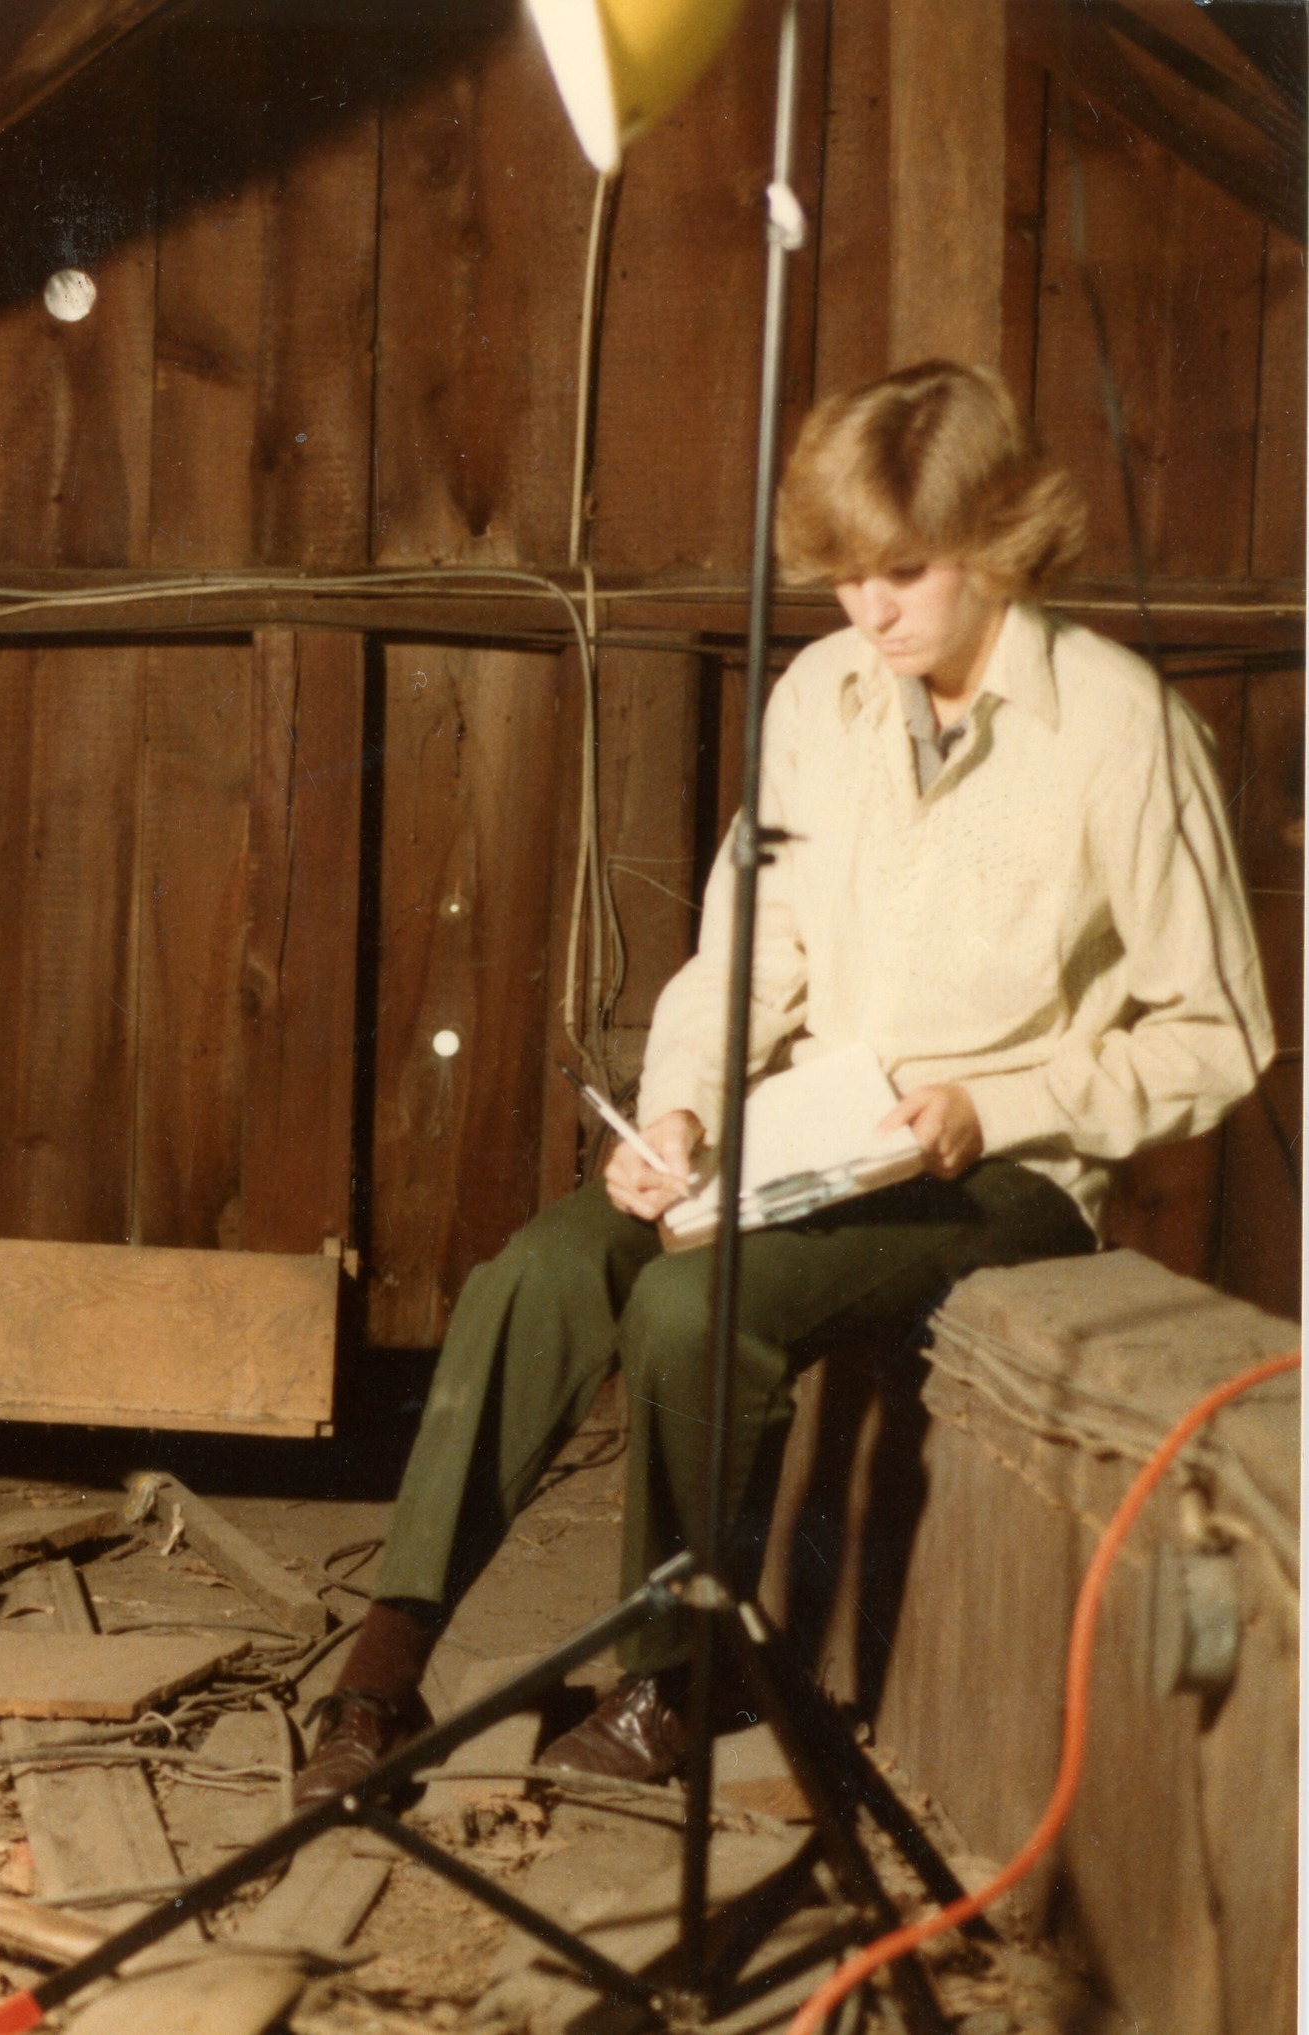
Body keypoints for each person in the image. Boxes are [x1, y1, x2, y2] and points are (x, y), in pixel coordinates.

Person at [295, 359, 1275, 1801]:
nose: (866, 613)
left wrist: (989, 1110)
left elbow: (1220, 1036)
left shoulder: (1123, 728)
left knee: (703, 1305)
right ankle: (385, 1658)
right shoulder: (827, 694)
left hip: (1003, 1173)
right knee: (548, 1270)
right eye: (839, 581)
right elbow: (749, 958)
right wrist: (686, 1102)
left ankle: (673, 1686)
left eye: (901, 574)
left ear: (1003, 546)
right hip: (812, 1135)